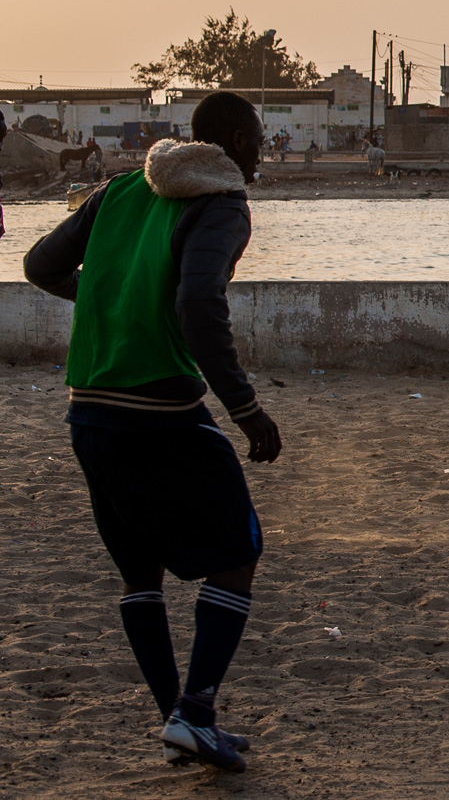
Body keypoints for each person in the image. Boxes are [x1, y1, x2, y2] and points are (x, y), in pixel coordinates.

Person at [22, 91, 280, 772]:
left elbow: (39, 266)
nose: (262, 149)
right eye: (257, 136)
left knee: (140, 571)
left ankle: (180, 718)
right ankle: (193, 713)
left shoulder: (118, 191)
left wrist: (116, 294)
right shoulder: (221, 202)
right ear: (229, 139)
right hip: (159, 410)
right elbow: (198, 301)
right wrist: (246, 408)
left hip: (88, 409)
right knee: (237, 548)